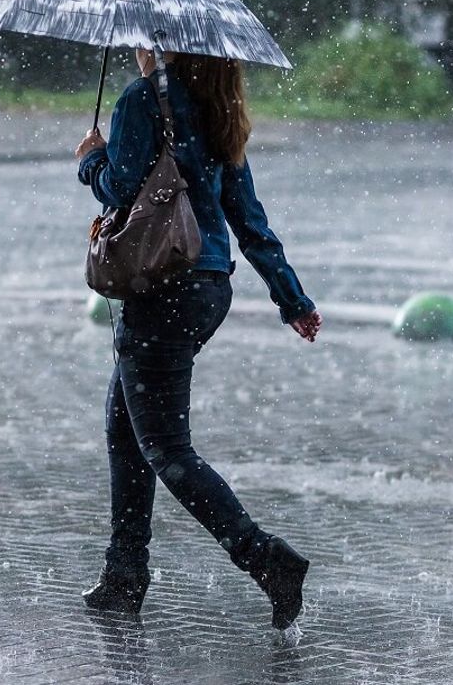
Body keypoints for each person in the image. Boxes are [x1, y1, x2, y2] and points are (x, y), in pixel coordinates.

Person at [74, 48, 322, 631]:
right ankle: (124, 575)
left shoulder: (143, 101)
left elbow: (118, 188)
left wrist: (90, 160)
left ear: (165, 46)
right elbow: (249, 219)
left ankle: (267, 561)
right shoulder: (219, 108)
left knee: (165, 447)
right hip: (208, 288)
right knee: (125, 426)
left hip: (161, 283)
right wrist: (292, 299)